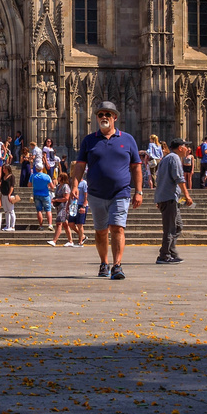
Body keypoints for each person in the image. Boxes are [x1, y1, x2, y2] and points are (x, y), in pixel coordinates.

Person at [68, 100, 142, 280]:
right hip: (96, 193)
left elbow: (136, 166)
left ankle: (117, 265)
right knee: (101, 230)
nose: (104, 117)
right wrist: (75, 185)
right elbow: (80, 165)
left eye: (107, 114)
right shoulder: (89, 140)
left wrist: (138, 191)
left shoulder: (127, 139)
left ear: (115, 117)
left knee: (117, 228)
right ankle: (104, 263)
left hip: (121, 192)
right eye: (100, 114)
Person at [154, 139, 193, 264]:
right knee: (170, 228)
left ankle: (170, 251)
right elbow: (179, 178)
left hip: (168, 198)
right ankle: (164, 255)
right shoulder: (174, 158)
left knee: (177, 226)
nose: (187, 149)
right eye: (186, 146)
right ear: (180, 148)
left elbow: (159, 179)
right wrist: (187, 195)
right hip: (169, 198)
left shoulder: (165, 159)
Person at [31, 165, 54, 234]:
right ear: (42, 168)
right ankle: (50, 224)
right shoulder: (46, 176)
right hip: (45, 194)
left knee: (39, 211)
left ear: (36, 169)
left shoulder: (33, 176)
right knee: (48, 210)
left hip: (36, 194)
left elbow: (29, 184)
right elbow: (52, 186)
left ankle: (41, 226)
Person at [0, 163, 18, 234]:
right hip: (4, 195)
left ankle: (12, 226)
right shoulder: (3, 177)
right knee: (6, 211)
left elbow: (12, 186)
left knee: (11, 210)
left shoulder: (11, 176)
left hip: (9, 195)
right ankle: (7, 225)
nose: (3, 170)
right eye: (3, 168)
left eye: (5, 168)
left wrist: (9, 194)